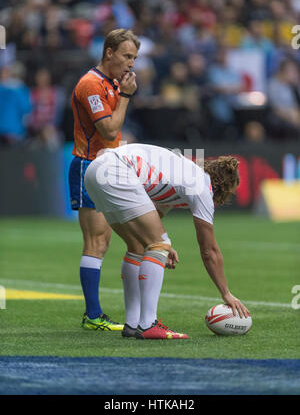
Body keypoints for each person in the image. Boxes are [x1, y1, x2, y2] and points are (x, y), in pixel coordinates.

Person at [84, 143, 250, 340]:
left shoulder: (180, 176)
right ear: (222, 189)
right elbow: (209, 251)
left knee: (138, 247)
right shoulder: (202, 186)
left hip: (96, 170)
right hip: (118, 169)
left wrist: (160, 244)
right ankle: (148, 324)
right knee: (158, 246)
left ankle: (132, 324)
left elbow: (151, 222)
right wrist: (226, 293)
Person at [68, 28, 140, 331]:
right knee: (96, 241)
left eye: (134, 58)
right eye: (126, 56)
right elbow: (108, 130)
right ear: (108, 52)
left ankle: (117, 314)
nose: (131, 64)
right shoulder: (91, 85)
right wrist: (125, 97)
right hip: (89, 167)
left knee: (108, 240)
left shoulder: (110, 82)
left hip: (109, 167)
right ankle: (93, 315)